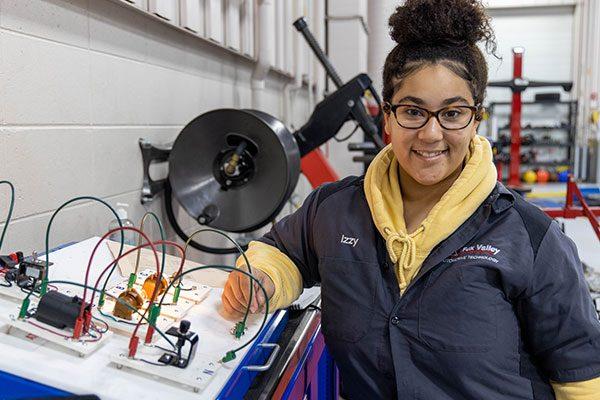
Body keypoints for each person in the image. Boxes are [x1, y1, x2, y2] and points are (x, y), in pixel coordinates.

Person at [220, 0, 600, 398]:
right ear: (387, 115)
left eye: (452, 114)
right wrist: (260, 281)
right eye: (412, 112)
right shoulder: (335, 211)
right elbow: (282, 252)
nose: (431, 133)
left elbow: (583, 380)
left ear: (476, 117)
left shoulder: (531, 238)